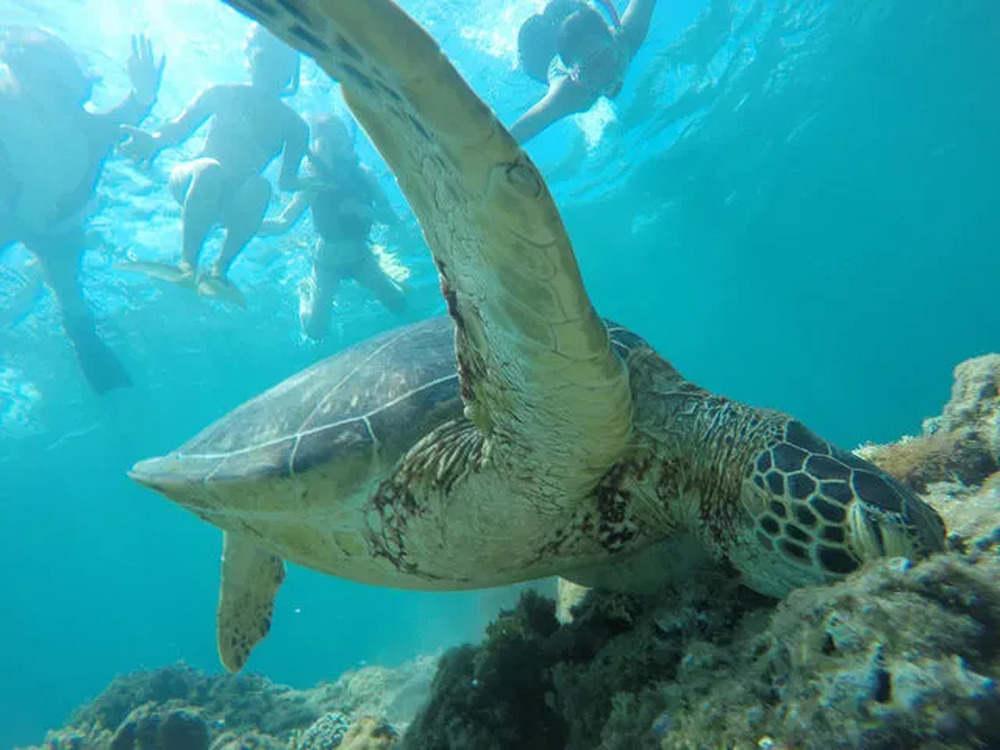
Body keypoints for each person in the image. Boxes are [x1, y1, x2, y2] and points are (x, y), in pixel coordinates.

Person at [0, 26, 164, 393]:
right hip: (12, 219)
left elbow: (130, 114)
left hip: (59, 230)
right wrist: (143, 95)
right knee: (70, 298)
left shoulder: (89, 128)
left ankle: (97, 365)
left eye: (56, 81)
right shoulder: (8, 110)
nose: (50, 92)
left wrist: (144, 91)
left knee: (73, 303)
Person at [119, 23, 308, 307]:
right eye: (265, 60)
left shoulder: (295, 126)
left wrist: (320, 183)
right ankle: (187, 265)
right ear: (250, 59)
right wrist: (154, 141)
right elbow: (179, 129)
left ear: (290, 74)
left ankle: (219, 272)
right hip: (192, 181)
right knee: (210, 170)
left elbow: (286, 182)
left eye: (280, 65)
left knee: (261, 187)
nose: (271, 71)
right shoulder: (221, 93)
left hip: (233, 201)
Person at [260, 114, 406, 340]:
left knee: (398, 304)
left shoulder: (364, 174)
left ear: (348, 139)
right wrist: (245, 226)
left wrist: (364, 210)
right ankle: (305, 291)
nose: (337, 149)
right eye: (329, 143)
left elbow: (392, 218)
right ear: (319, 147)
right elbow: (283, 223)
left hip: (361, 259)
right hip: (327, 264)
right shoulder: (315, 182)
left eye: (340, 139)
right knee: (315, 331)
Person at [510, 0, 656, 143]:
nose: (606, 75)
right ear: (575, 76)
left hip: (571, 16)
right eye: (592, 68)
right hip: (537, 53)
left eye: (605, 57)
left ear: (614, 39)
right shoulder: (568, 95)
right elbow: (515, 135)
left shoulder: (625, 43)